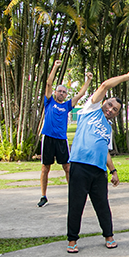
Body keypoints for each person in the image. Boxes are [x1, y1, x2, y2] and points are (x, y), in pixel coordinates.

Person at [66, 70, 129, 253]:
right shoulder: (89, 110)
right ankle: (72, 240)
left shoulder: (109, 127)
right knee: (76, 204)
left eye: (115, 110)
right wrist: (126, 77)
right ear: (104, 103)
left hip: (98, 171)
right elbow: (105, 86)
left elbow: (105, 151)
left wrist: (113, 171)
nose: (110, 110)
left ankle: (109, 236)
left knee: (102, 205)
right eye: (109, 105)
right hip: (80, 165)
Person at [37, 61, 93, 207]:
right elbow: (49, 83)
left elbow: (80, 94)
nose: (61, 93)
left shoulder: (67, 105)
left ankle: (73, 194)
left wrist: (88, 80)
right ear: (55, 93)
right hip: (48, 138)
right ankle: (43, 196)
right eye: (59, 91)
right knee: (45, 168)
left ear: (66, 94)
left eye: (64, 92)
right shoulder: (49, 102)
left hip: (61, 140)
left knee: (67, 167)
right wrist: (55, 66)